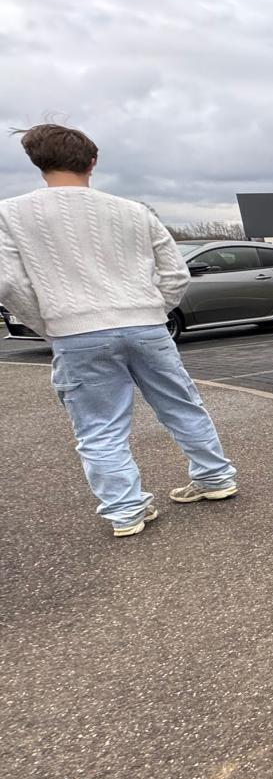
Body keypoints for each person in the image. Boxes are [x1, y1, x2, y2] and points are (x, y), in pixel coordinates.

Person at [0, 124, 237, 536]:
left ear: (37, 162)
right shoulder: (134, 210)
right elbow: (175, 273)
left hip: (76, 330)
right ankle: (215, 478)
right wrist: (153, 310)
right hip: (145, 324)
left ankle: (126, 511)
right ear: (93, 162)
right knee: (182, 404)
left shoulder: (10, 214)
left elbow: (9, 284)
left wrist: (49, 325)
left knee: (100, 427)